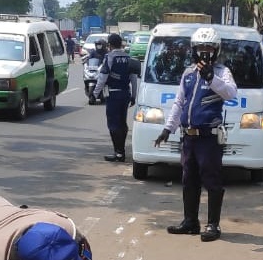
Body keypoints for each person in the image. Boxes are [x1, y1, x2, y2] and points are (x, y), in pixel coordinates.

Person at [155, 27, 237, 242]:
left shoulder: (221, 72)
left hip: (209, 137)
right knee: (188, 179)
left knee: (212, 180)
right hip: (188, 137)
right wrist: (168, 128)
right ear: (193, 50)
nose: (204, 52)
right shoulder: (188, 74)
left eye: (208, 48)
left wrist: (211, 79)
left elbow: (231, 93)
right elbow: (179, 103)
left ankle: (213, 225)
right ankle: (190, 222)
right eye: (200, 48)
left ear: (216, 50)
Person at [92, 32, 138, 162]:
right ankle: (121, 151)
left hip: (113, 94)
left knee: (113, 124)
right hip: (125, 94)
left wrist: (94, 95)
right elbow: (133, 79)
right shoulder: (129, 58)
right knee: (122, 123)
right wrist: (133, 96)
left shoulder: (110, 57)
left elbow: (102, 77)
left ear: (110, 45)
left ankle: (118, 153)